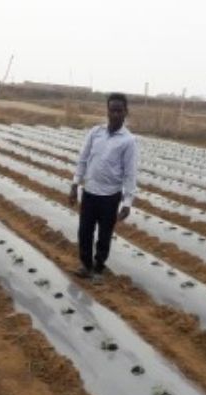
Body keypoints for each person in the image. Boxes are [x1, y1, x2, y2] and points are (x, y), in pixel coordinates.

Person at [69, 92, 138, 285]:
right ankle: (85, 265)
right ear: (107, 111)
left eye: (119, 110)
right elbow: (83, 159)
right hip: (90, 192)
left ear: (125, 112)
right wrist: (75, 184)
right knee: (84, 231)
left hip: (110, 196)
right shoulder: (95, 133)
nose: (115, 114)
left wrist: (127, 202)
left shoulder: (128, 141)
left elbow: (130, 173)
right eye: (112, 110)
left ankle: (99, 268)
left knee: (104, 234)